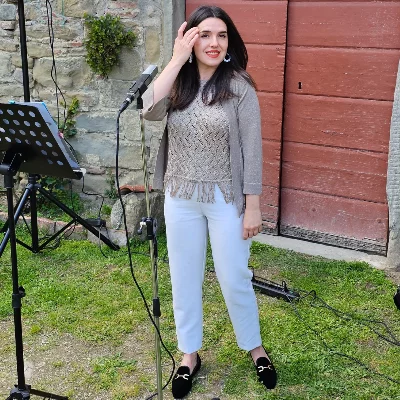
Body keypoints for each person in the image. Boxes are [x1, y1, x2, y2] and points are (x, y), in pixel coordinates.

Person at [143, 5, 277, 398]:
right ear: (190, 38)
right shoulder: (178, 83)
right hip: (180, 196)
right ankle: (189, 355)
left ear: (229, 42)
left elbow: (252, 150)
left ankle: (255, 347)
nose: (214, 43)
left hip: (225, 198)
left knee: (234, 276)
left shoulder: (239, 87)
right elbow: (148, 109)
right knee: (183, 277)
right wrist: (176, 60)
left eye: (221, 35)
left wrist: (253, 206)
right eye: (204, 35)